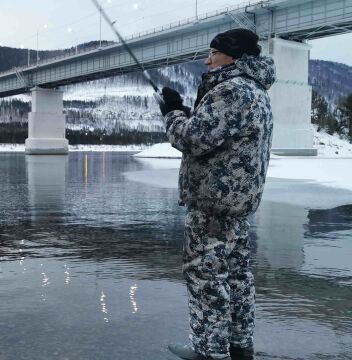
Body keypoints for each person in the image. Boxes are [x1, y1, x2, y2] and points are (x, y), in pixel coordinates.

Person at [158, 28, 276, 360]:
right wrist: (187, 107)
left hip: (214, 203)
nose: (207, 59)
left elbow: (193, 139)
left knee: (206, 276)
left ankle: (209, 351)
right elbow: (219, 135)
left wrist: (171, 112)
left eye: (213, 52)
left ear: (234, 56)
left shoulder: (232, 91)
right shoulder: (256, 91)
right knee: (237, 275)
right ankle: (240, 346)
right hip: (238, 203)